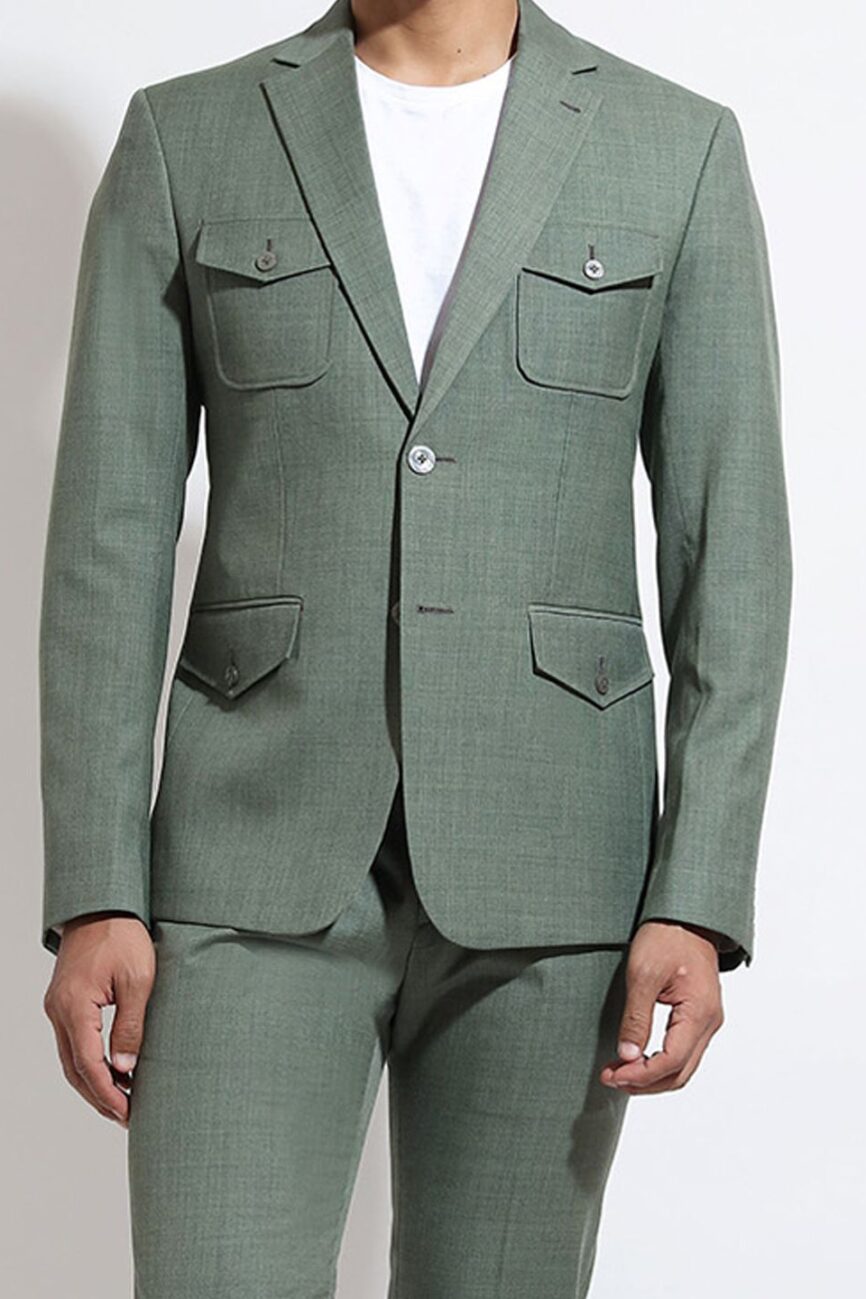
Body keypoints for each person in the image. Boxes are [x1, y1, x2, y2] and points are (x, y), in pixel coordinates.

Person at [38, 0, 793, 1295]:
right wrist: (98, 887)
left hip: (554, 868)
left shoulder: (675, 147)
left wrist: (698, 893)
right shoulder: (188, 135)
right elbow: (106, 545)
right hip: (247, 856)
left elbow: (732, 559)